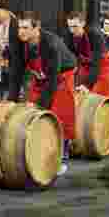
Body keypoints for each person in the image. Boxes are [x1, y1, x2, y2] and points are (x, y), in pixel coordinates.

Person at [12, 11, 78, 175]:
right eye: (19, 27)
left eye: (26, 27)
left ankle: (62, 158)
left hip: (61, 76)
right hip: (41, 76)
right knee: (31, 113)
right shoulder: (20, 42)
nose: (21, 31)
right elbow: (17, 72)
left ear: (37, 28)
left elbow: (53, 80)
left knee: (59, 115)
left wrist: (42, 107)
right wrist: (12, 101)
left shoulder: (51, 44)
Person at [64, 11, 109, 97]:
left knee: (97, 95)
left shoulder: (95, 35)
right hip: (85, 63)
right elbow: (68, 59)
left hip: (102, 66)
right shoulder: (69, 36)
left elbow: (96, 63)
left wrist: (87, 85)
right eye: (70, 27)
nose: (72, 30)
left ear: (83, 23)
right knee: (79, 91)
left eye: (75, 26)